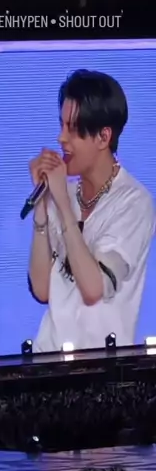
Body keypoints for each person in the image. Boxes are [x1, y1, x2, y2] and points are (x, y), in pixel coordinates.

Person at [28, 68, 155, 352]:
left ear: (103, 137)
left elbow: (93, 289)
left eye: (72, 129)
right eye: (61, 125)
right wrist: (42, 206)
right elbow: (42, 289)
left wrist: (62, 205)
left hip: (102, 367)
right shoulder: (63, 193)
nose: (61, 138)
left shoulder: (134, 203)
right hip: (48, 357)